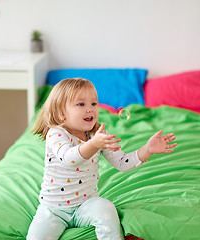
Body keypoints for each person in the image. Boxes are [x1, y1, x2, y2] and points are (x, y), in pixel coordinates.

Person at [27, 78, 177, 240]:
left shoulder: (97, 135)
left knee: (106, 208)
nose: (90, 109)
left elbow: (123, 163)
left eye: (94, 104)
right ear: (61, 113)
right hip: (53, 209)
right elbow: (69, 158)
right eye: (81, 104)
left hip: (86, 204)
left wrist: (147, 150)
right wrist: (94, 144)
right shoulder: (56, 133)